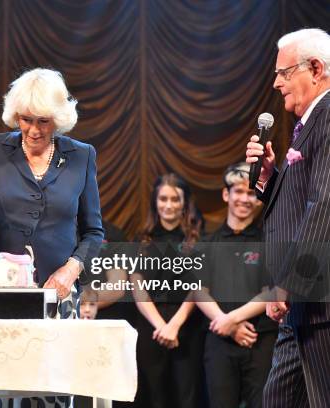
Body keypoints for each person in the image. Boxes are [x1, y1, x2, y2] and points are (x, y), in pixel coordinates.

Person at [0, 68, 104, 408]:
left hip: (57, 293)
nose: (33, 130)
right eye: (25, 120)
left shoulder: (82, 156)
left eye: (43, 121)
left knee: (52, 394)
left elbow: (94, 232)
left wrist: (70, 272)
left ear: (59, 119)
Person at [245, 28, 330, 407]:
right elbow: (301, 202)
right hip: (302, 307)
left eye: (284, 72)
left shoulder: (328, 116)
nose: (276, 83)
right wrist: (268, 178)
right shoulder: (308, 124)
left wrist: (290, 283)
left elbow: (323, 206)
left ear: (315, 68)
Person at [194, 163, 277, 408]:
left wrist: (233, 320)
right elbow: (199, 290)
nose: (244, 198)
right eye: (238, 192)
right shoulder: (206, 242)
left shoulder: (269, 239)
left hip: (260, 338)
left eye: (251, 192)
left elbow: (271, 291)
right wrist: (226, 325)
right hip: (219, 340)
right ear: (225, 195)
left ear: (259, 199)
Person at [129, 173, 204, 408]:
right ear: (155, 202)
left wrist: (174, 326)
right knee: (154, 397)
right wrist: (161, 326)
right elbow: (138, 287)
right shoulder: (141, 240)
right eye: (163, 199)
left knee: (186, 397)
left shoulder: (199, 239)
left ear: (184, 203)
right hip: (151, 328)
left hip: (187, 328)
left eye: (175, 199)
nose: (168, 205)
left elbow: (198, 287)